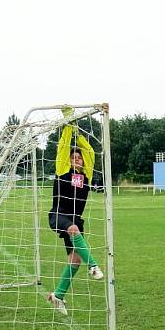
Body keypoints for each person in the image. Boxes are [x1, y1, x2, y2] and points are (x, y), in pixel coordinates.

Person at [47, 107, 104, 315]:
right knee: (73, 229)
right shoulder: (63, 170)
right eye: (73, 157)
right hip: (58, 215)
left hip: (76, 220)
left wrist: (79, 137)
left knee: (74, 260)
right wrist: (68, 122)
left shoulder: (86, 174)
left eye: (78, 157)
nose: (76, 159)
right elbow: (63, 147)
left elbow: (88, 151)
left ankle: (58, 296)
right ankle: (94, 267)